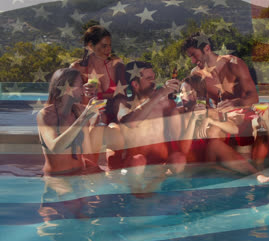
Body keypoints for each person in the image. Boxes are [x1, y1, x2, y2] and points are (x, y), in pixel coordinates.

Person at [114, 61, 181, 194]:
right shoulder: (123, 104)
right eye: (149, 79)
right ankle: (139, 197)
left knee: (179, 159)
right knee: (138, 160)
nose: (154, 82)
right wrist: (159, 95)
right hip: (136, 168)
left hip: (161, 166)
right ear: (135, 84)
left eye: (154, 78)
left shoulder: (165, 104)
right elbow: (131, 122)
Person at [177, 74, 258, 175]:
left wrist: (210, 121)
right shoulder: (179, 114)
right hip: (192, 166)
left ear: (196, 93)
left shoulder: (210, 112)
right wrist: (193, 119)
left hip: (209, 160)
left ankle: (256, 175)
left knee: (216, 144)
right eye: (180, 92)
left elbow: (234, 129)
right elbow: (183, 150)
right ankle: (251, 175)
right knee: (216, 154)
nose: (180, 95)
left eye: (184, 92)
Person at [70, 25, 126, 169]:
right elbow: (67, 99)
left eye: (110, 46)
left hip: (112, 112)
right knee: (97, 121)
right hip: (90, 114)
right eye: (104, 46)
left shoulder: (116, 64)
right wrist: (82, 91)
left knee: (109, 123)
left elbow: (122, 95)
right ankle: (91, 168)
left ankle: (109, 167)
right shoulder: (77, 68)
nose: (108, 50)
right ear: (90, 46)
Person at [37, 68, 102, 176]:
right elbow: (55, 148)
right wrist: (83, 118)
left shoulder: (79, 110)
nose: (83, 89)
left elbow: (87, 151)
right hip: (57, 180)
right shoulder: (46, 115)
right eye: (81, 85)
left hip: (79, 175)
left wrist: (95, 170)